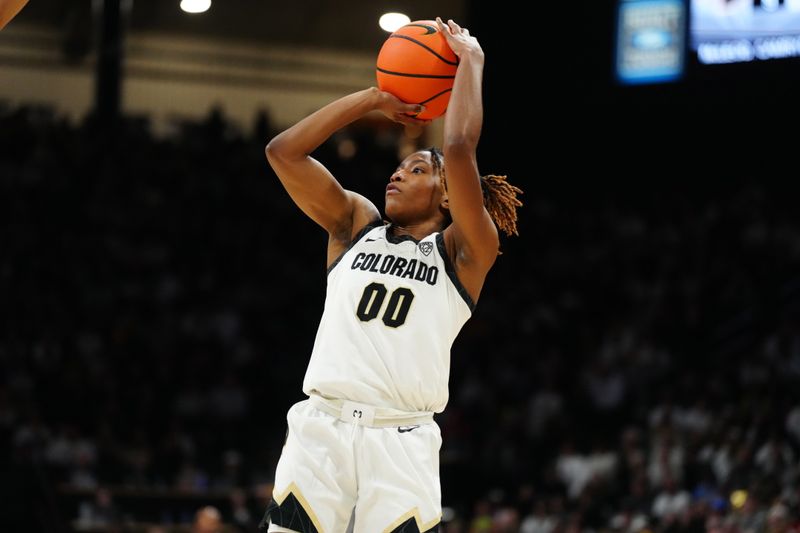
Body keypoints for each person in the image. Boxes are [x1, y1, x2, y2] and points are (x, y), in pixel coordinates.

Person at [259, 17, 522, 533]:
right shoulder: (354, 225)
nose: (398, 173)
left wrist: (471, 60)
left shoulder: (466, 252)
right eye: (400, 168)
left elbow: (462, 148)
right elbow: (282, 152)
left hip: (401, 442)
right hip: (323, 430)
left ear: (448, 195)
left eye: (419, 169)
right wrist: (373, 100)